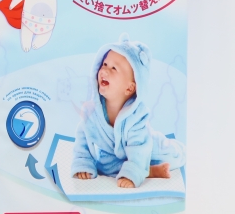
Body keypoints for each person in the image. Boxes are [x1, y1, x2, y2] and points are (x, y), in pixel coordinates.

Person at [71, 34, 186, 188]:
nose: (104, 70)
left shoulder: (136, 117)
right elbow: (83, 138)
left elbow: (139, 148)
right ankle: (150, 171)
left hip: (148, 147)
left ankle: (146, 167)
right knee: (104, 166)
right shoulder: (91, 113)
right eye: (104, 64)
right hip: (118, 156)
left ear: (130, 88)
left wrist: (132, 174)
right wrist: (83, 162)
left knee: (173, 157)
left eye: (114, 68)